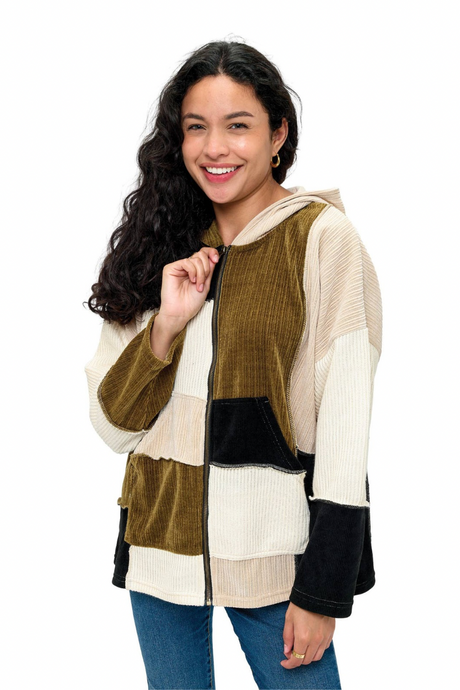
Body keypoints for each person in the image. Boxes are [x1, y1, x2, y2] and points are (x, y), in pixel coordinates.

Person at [84, 39, 382, 690]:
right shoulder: (157, 243)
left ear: (278, 134)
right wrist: (166, 326)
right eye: (196, 127)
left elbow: (345, 427)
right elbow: (114, 428)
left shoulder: (321, 239)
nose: (214, 147)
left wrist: (325, 589)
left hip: (274, 556)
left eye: (238, 125)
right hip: (160, 546)